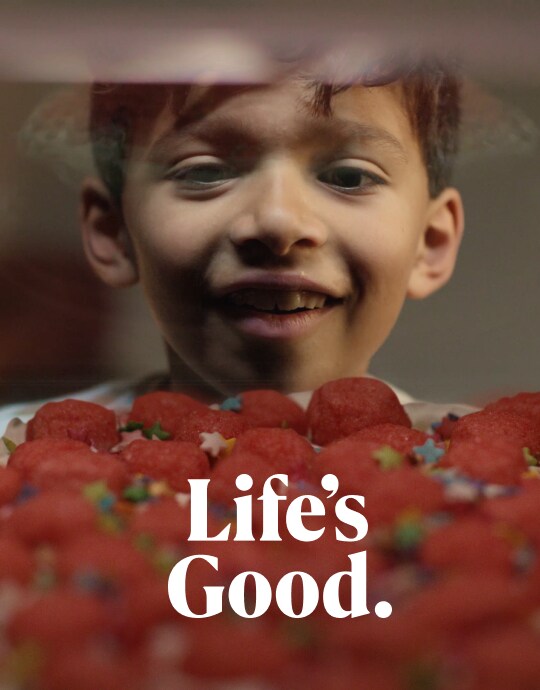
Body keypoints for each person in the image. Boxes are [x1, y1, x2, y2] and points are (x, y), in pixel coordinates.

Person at [0, 53, 478, 436]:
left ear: (430, 242)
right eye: (204, 172)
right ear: (114, 233)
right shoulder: (14, 445)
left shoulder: (491, 460)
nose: (278, 221)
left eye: (349, 177)